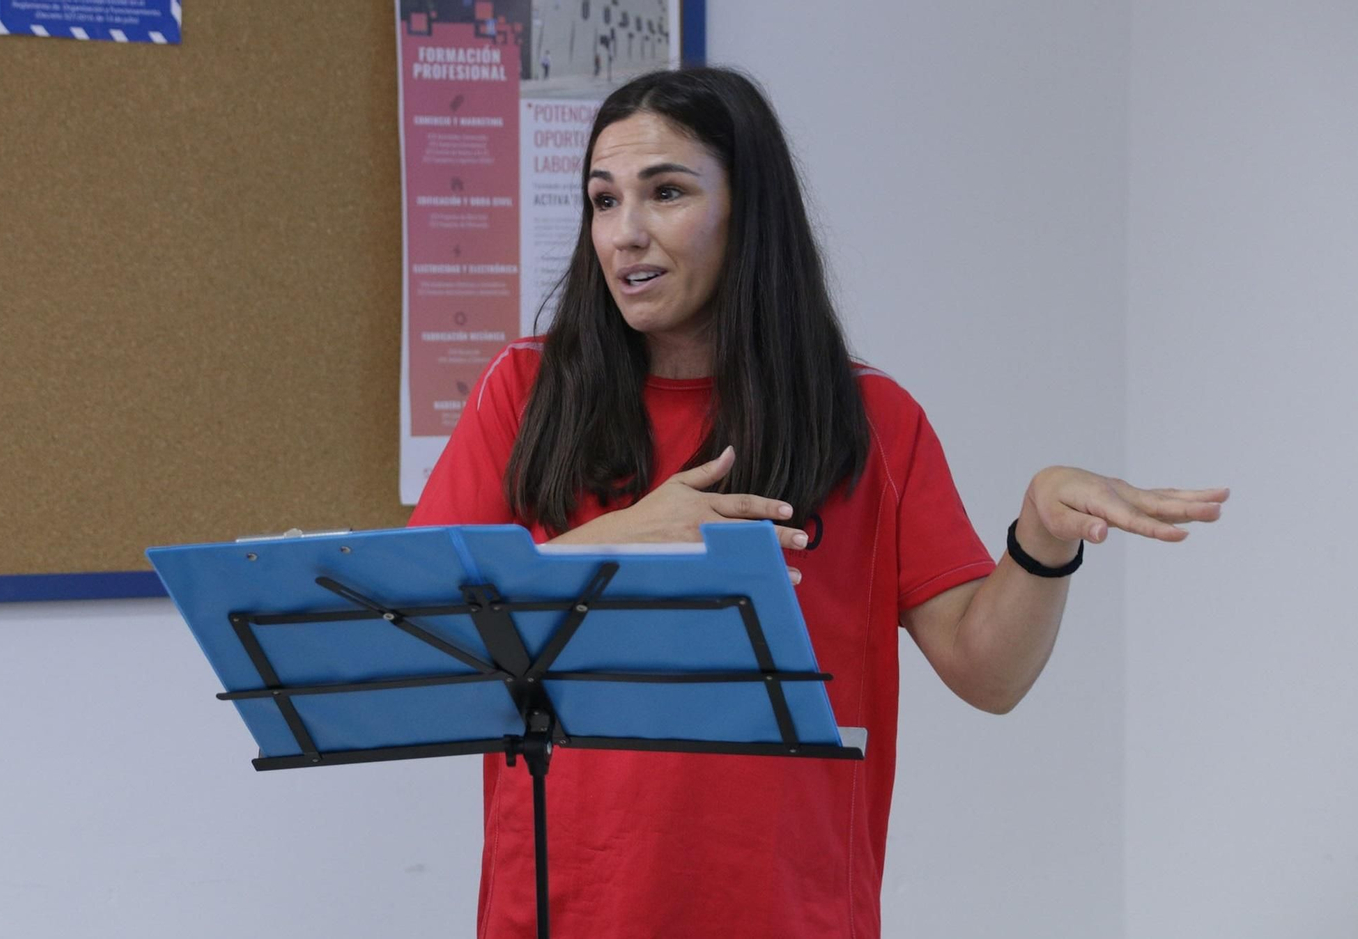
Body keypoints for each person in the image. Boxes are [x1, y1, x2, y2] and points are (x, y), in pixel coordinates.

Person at [409, 67, 1226, 939]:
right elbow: (418, 629)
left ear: (748, 211)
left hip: (792, 913)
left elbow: (990, 675)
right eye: (603, 202)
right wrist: (619, 538)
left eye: (667, 192)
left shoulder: (871, 419)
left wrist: (1040, 537)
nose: (625, 235)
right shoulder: (525, 391)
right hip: (559, 910)